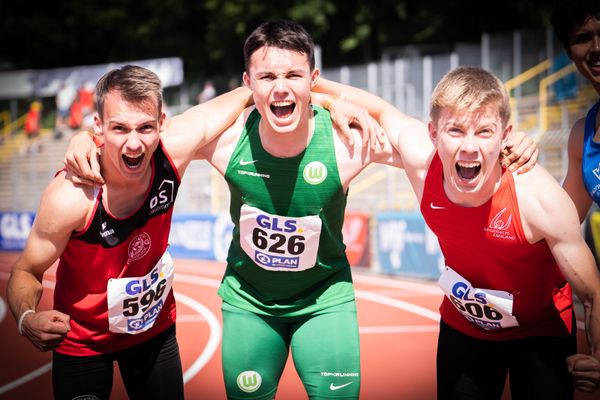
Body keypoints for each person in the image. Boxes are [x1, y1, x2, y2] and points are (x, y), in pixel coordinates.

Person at [315, 66, 600, 398]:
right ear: (433, 133)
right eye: (455, 130)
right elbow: (380, 109)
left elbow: (592, 293)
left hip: (541, 330)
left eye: (484, 131)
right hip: (465, 327)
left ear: (506, 135)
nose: (468, 147)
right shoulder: (423, 159)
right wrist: (322, 95)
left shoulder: (539, 198)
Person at [6, 64, 260, 400]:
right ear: (98, 127)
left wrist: (330, 99)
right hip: (83, 343)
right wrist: (26, 319)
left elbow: (255, 90)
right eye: (120, 128)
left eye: (145, 128)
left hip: (152, 331)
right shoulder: (71, 196)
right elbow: (26, 270)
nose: (134, 144)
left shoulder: (173, 152)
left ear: (162, 125)